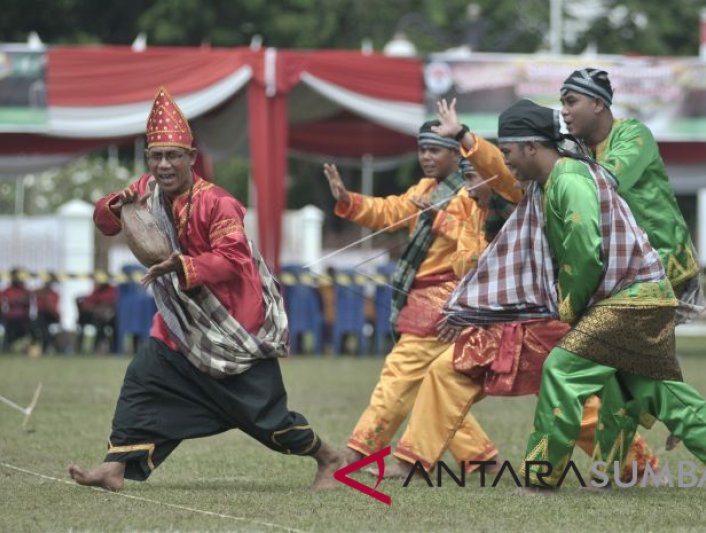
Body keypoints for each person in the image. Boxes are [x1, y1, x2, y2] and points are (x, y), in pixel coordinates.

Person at [496, 99, 706, 500]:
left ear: (532, 147)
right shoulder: (554, 181)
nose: (506, 163)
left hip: (632, 298)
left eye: (506, 152)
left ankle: (540, 478)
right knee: (653, 390)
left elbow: (585, 254)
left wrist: (568, 308)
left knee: (560, 368)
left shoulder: (569, 179)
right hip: (638, 295)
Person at [68, 87, 342, 492]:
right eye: (156, 156)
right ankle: (114, 468)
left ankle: (330, 458)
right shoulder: (147, 190)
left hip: (232, 327)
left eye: (173, 155)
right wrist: (115, 204)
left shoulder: (218, 203)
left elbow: (234, 259)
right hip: (179, 327)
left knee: (267, 419)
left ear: (191, 159)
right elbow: (105, 221)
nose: (163, 164)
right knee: (143, 381)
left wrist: (182, 265)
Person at [387, 101, 658, 480]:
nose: (467, 187)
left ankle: (636, 464)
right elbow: (472, 268)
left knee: (574, 404)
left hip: (545, 317)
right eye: (466, 179)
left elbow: (499, 169)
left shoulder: (526, 190)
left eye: (473, 178)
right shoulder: (473, 214)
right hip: (500, 322)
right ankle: (411, 462)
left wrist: (464, 136)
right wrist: (467, 308)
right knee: (446, 373)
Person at [323, 121, 500, 472]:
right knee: (428, 384)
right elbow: (392, 212)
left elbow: (479, 244)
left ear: (455, 152)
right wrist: (349, 200)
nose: (426, 157)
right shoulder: (427, 188)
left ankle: (358, 453)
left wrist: (437, 219)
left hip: (445, 297)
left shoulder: (471, 191)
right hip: (424, 297)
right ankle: (481, 460)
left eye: (435, 149)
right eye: (422, 150)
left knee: (400, 375)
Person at [560, 68, 703, 322]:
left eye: (571, 101)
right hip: (624, 269)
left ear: (597, 103)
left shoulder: (634, 134)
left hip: (662, 262)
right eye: (563, 103)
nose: (564, 111)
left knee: (616, 346)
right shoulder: (579, 149)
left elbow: (603, 182)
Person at [76, 274, 117, 353]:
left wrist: (105, 307)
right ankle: (97, 347)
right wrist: (95, 308)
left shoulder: (113, 290)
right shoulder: (97, 291)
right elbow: (86, 304)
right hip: (97, 317)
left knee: (112, 325)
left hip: (111, 318)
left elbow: (113, 304)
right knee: (99, 324)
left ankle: (111, 348)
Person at [1, 268, 32, 352]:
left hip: (23, 318)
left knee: (26, 330)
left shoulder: (25, 290)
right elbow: (4, 302)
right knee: (10, 330)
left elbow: (28, 301)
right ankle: (7, 347)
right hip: (9, 318)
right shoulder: (7, 290)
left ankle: (23, 347)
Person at [32, 272, 61, 354]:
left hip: (51, 315)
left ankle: (47, 345)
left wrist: (46, 298)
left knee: (41, 323)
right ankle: (44, 345)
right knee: (38, 324)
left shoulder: (54, 294)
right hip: (42, 315)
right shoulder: (40, 292)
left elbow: (51, 309)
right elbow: (32, 293)